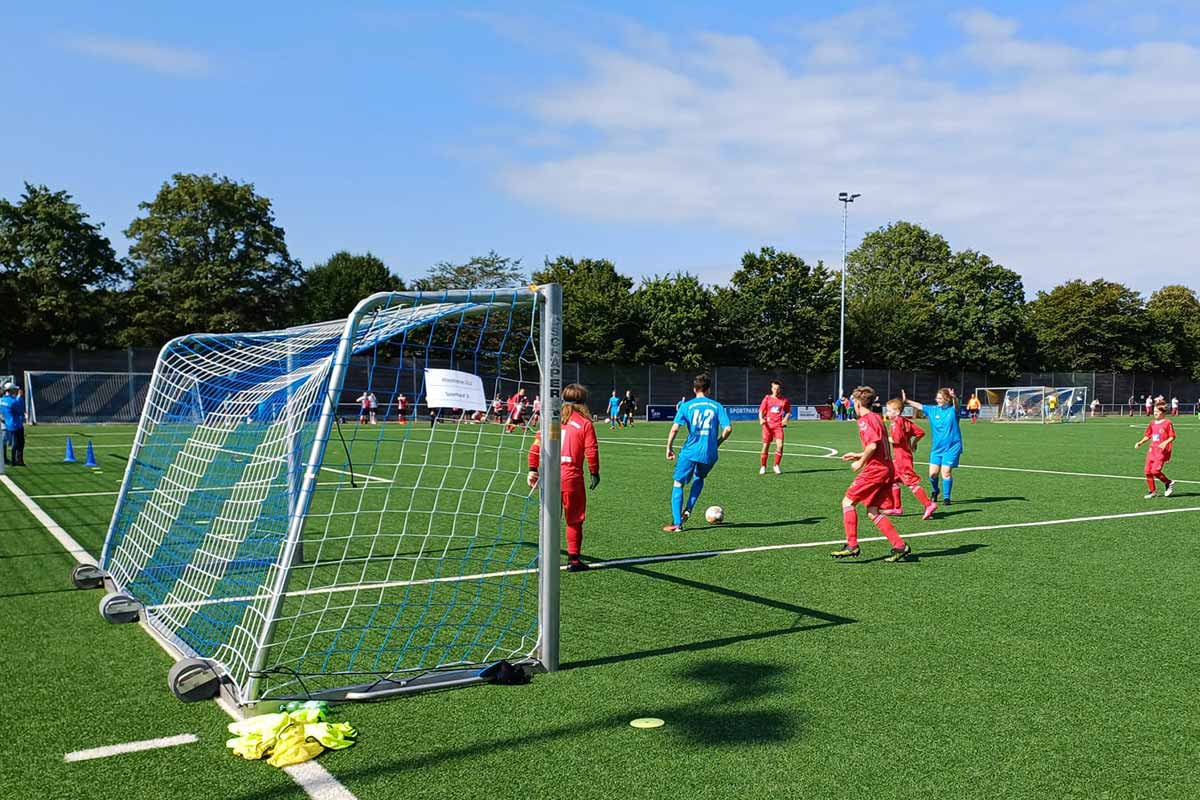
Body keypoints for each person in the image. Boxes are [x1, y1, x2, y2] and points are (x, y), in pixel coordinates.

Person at [831, 386, 911, 562]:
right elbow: (878, 446)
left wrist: (860, 462)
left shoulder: (865, 420)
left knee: (847, 501)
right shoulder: (877, 417)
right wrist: (859, 454)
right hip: (887, 467)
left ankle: (852, 545)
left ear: (857, 403)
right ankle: (899, 545)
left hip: (876, 469)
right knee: (873, 510)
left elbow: (873, 445)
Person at [528, 384, 600, 572]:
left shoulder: (551, 421)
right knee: (574, 520)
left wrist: (532, 469)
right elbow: (591, 450)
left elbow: (535, 447)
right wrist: (594, 472)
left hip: (549, 477)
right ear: (583, 402)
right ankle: (574, 560)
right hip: (571, 478)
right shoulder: (585, 423)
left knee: (549, 519)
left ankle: (543, 557)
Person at [663, 374, 731, 532]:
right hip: (710, 454)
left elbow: (674, 428)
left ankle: (677, 524)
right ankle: (688, 509)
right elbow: (728, 428)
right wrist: (717, 442)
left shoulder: (686, 406)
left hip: (690, 451)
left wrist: (669, 447)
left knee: (678, 483)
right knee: (699, 477)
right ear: (708, 390)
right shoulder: (717, 406)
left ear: (694, 389)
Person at [903, 386, 963, 506]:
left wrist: (954, 397)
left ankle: (947, 498)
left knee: (945, 472)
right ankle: (935, 491)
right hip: (937, 448)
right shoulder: (933, 410)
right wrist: (907, 401)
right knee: (933, 474)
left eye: (940, 398)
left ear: (947, 399)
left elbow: (956, 405)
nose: (937, 400)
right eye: (937, 398)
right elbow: (920, 406)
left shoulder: (953, 411)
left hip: (952, 447)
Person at [882, 398, 937, 519]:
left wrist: (884, 439)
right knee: (892, 480)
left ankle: (928, 504)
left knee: (910, 482)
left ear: (897, 412)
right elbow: (920, 432)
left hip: (902, 458)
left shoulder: (896, 423)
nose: (887, 413)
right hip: (903, 456)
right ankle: (897, 508)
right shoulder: (905, 421)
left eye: (889, 411)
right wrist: (913, 443)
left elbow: (896, 440)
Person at [1136, 401, 1176, 499]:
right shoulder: (1152, 423)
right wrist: (1140, 443)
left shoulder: (1167, 423)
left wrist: (1165, 442)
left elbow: (1172, 436)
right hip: (1151, 451)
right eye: (1154, 411)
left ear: (1162, 412)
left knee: (1155, 471)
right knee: (1147, 471)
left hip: (1161, 451)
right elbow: (1148, 435)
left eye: (1157, 411)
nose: (1155, 413)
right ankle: (1152, 491)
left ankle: (1168, 482)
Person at [757, 380, 790, 475]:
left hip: (778, 426)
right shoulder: (767, 399)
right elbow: (761, 411)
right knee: (765, 446)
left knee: (780, 446)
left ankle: (776, 465)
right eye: (774, 388)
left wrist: (785, 419)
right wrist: (761, 419)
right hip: (767, 426)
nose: (776, 390)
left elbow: (788, 412)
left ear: (780, 389)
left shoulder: (784, 400)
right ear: (772, 389)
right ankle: (763, 466)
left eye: (777, 389)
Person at [0, 382, 26, 467]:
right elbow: (21, 410)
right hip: (16, 424)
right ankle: (16, 461)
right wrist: (19, 397)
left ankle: (13, 460)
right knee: (18, 443)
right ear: (10, 390)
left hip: (7, 423)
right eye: (14, 389)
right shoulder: (13, 401)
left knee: (10, 442)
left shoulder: (2, 400)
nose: (16, 390)